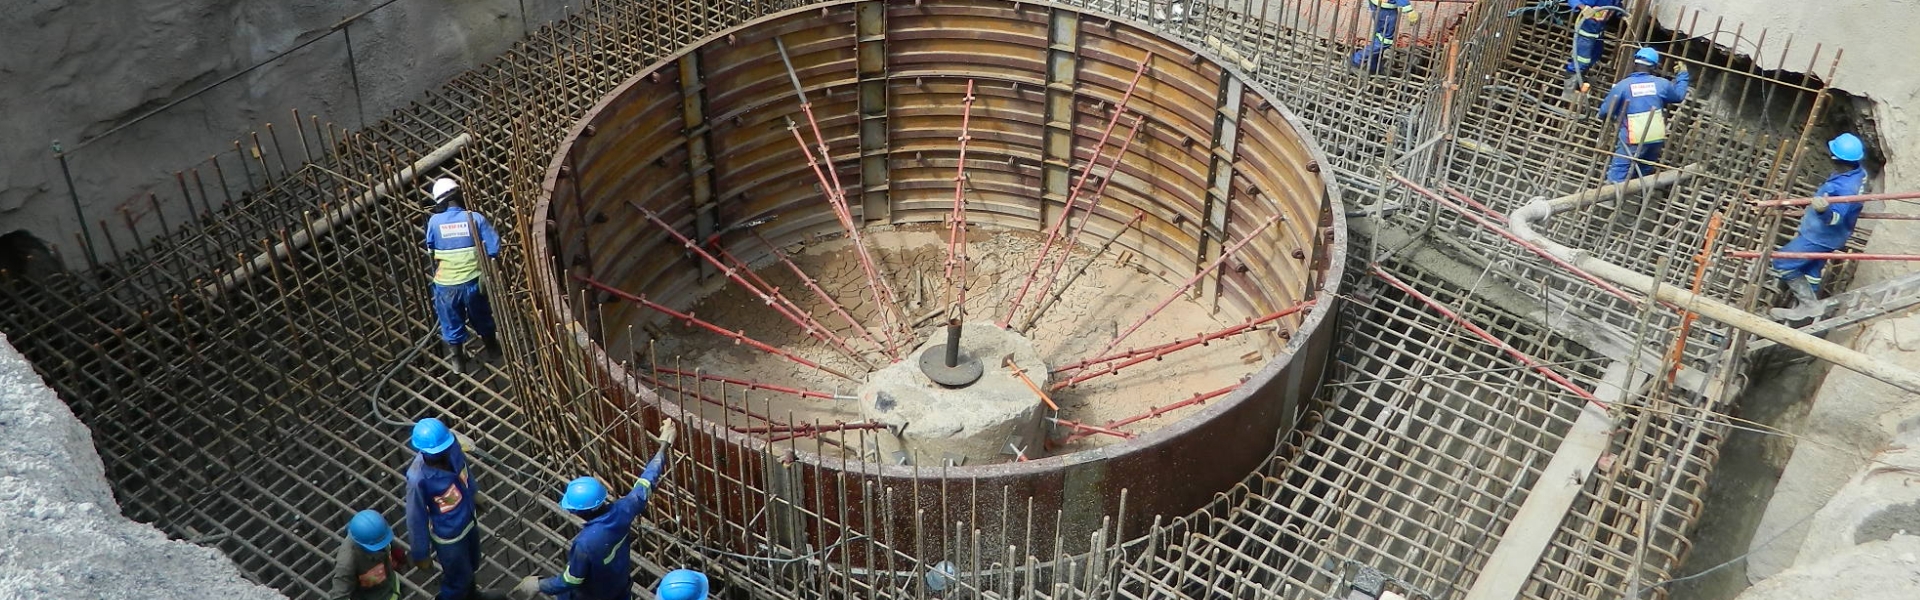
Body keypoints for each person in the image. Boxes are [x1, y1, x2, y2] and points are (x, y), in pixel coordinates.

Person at [514, 420, 679, 600]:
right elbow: (645, 483)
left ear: (578, 512)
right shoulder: (623, 510)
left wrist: (539, 585)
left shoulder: (585, 544)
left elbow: (571, 580)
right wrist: (664, 444)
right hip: (619, 587)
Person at [1770, 133, 1870, 321]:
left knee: (1782, 262)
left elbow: (1835, 219)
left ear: (1836, 158)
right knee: (1811, 270)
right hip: (1831, 236)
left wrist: (1823, 210)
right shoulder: (1858, 173)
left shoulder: (1846, 189)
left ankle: (1809, 305)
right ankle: (1803, 311)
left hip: (1820, 237)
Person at [405, 418, 504, 600]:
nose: (443, 453)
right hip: (449, 537)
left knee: (472, 565)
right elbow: (415, 518)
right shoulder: (418, 479)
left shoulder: (452, 447)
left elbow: (463, 468)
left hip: (469, 520)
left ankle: (472, 596)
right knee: (458, 580)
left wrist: (474, 492)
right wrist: (421, 553)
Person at [423, 177, 503, 372]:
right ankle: (492, 349)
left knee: (450, 320)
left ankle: (457, 360)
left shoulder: (433, 221)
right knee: (481, 315)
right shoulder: (474, 218)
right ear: (459, 196)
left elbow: (431, 249)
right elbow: (494, 248)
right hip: (472, 282)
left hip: (445, 285)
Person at [1597, 47, 1691, 182]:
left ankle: (1611, 194)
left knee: (1618, 174)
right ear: (1654, 67)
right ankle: (1636, 192)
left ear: (1634, 64)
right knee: (1643, 173)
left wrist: (1611, 118)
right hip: (1656, 136)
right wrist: (1682, 75)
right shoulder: (1661, 84)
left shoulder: (1623, 86)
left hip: (1633, 137)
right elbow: (1678, 96)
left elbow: (1606, 110)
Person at [331, 509, 408, 600]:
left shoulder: (377, 532)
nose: (381, 548)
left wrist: (395, 549)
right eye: (378, 546)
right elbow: (339, 596)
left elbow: (386, 539)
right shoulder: (346, 564)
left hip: (392, 587)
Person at [1563, 0, 1624, 91]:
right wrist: (1584, 8)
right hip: (1586, 31)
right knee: (1581, 60)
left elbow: (1616, 3)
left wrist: (1617, 12)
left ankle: (1581, 78)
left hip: (1598, 30)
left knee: (1596, 54)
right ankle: (1569, 87)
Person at [1350, 0, 1420, 74]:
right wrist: (1409, 10)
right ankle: (1357, 59)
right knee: (1385, 41)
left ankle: (1373, 67)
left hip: (1376, 5)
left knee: (1379, 37)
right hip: (1387, 10)